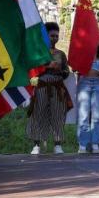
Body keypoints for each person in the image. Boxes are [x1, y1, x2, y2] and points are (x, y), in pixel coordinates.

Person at [28, 22, 70, 155]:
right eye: (52, 36)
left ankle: (57, 144)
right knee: (39, 114)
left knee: (58, 114)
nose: (55, 38)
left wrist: (60, 71)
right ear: (46, 36)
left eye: (57, 36)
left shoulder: (61, 54)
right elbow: (32, 70)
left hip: (57, 87)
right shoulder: (38, 53)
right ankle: (36, 144)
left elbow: (66, 71)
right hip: (42, 85)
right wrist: (47, 67)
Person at [76, 40, 99, 154]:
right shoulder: (82, 51)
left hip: (98, 83)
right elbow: (75, 67)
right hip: (84, 83)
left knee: (98, 115)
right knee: (83, 115)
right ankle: (83, 144)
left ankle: (95, 143)